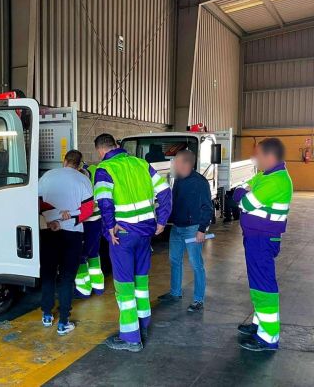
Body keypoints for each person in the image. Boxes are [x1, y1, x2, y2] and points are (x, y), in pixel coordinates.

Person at [93, 134, 172, 352]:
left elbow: (105, 201)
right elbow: (165, 191)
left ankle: (130, 338)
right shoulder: (141, 164)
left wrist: (110, 226)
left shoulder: (104, 169)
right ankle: (143, 325)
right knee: (141, 282)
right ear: (116, 145)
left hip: (123, 235)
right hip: (145, 234)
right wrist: (162, 220)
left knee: (124, 286)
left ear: (100, 151)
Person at [232, 138, 293, 351]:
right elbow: (240, 189)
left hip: (262, 239)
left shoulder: (276, 180)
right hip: (256, 237)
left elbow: (244, 201)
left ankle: (268, 337)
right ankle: (259, 325)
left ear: (269, 156)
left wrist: (243, 194)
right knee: (257, 282)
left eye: (257, 155)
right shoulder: (265, 176)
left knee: (263, 285)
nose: (254, 159)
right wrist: (243, 192)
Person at [39, 149, 94, 336]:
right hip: (73, 234)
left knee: (48, 274)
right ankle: (63, 322)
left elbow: (36, 201)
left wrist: (53, 218)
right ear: (79, 164)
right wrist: (69, 216)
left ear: (64, 161)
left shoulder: (47, 176)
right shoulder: (83, 180)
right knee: (67, 278)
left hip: (48, 231)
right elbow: (88, 209)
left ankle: (47, 315)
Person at [158, 150, 213, 312]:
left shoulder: (200, 182)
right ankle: (175, 293)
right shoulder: (179, 180)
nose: (174, 165)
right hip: (177, 227)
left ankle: (198, 300)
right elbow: (174, 202)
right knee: (174, 260)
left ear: (187, 164)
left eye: (177, 162)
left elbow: (207, 207)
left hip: (193, 229)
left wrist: (202, 230)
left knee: (196, 264)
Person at [74, 162, 106, 298]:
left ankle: (84, 289)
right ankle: (98, 286)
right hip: (97, 223)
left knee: (80, 256)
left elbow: (79, 209)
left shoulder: (79, 185)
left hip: (85, 224)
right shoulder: (94, 179)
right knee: (94, 254)